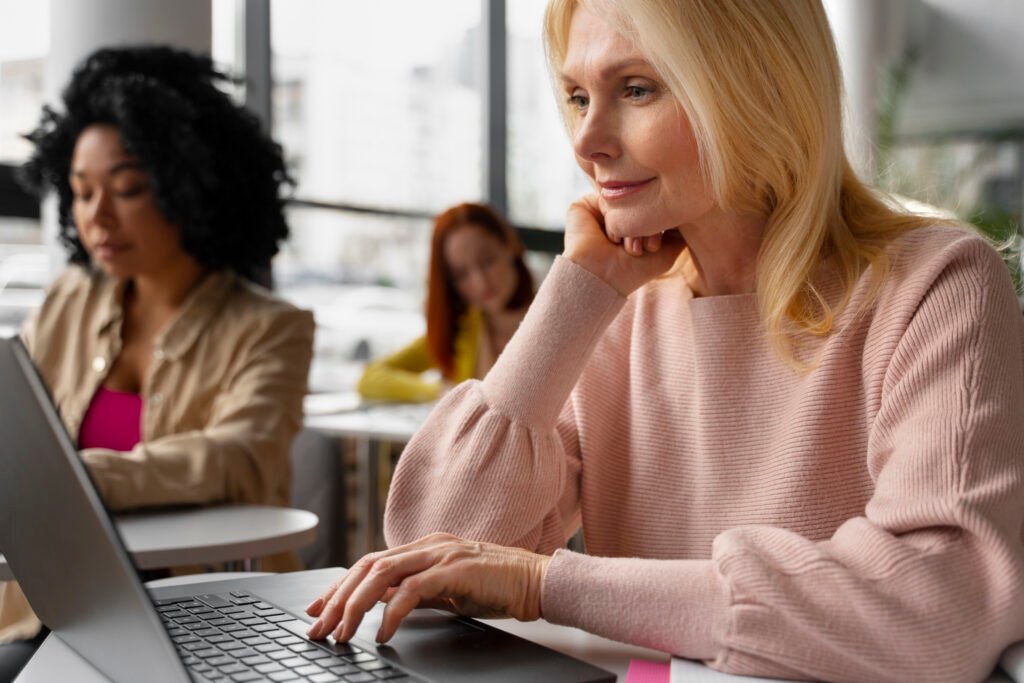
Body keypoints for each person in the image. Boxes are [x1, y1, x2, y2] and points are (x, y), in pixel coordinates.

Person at [305, 1, 1024, 681]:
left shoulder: (936, 282)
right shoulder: (619, 309)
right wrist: (577, 292)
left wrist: (545, 583)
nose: (588, 141)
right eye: (579, 96)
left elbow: (939, 604)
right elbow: (433, 548)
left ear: (758, 89)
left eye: (638, 88)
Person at [0, 45, 314, 675]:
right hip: (61, 613)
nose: (96, 217)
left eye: (127, 189)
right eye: (82, 192)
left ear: (190, 183)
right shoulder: (71, 299)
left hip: (209, 621)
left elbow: (237, 454)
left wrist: (81, 479)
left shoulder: (272, 327)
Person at [357, 202, 534, 402]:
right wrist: (442, 392)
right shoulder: (459, 332)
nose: (480, 282)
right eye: (461, 274)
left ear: (509, 245)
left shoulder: (557, 314)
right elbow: (370, 378)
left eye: (487, 261)